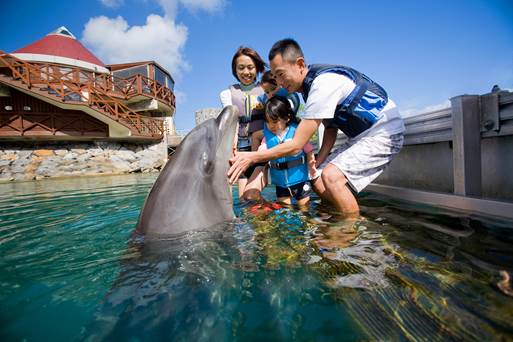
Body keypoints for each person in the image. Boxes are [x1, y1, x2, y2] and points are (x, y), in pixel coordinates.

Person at [228, 38, 405, 217]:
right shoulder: (307, 89)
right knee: (317, 178)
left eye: (281, 74)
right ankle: (334, 216)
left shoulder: (322, 85)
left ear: (300, 64)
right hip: (361, 136)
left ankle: (350, 231)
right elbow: (330, 129)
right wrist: (318, 162)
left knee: (331, 177)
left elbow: (297, 144)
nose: (279, 83)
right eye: (275, 77)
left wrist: (252, 157)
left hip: (384, 131)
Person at [220, 46, 267, 199]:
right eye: (241, 68)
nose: (246, 72)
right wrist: (232, 145)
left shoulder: (267, 89)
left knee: (251, 195)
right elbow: (231, 122)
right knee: (243, 199)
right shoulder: (227, 94)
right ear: (235, 70)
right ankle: (259, 220)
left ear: (257, 68)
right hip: (241, 148)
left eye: (250, 67)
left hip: (262, 147)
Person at [259, 96, 317, 206]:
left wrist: (311, 164)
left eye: (275, 121)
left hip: (300, 180)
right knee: (285, 209)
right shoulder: (268, 138)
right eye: (268, 122)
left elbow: (308, 149)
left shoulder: (297, 132)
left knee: (305, 208)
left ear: (287, 118)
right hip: (280, 183)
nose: (271, 125)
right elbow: (262, 152)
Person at [251, 70, 301, 151]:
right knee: (255, 135)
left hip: (287, 128)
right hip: (272, 129)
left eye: (273, 89)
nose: (271, 94)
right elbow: (260, 99)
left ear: (281, 84)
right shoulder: (265, 98)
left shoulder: (287, 97)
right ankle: (255, 160)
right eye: (267, 92)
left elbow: (291, 113)